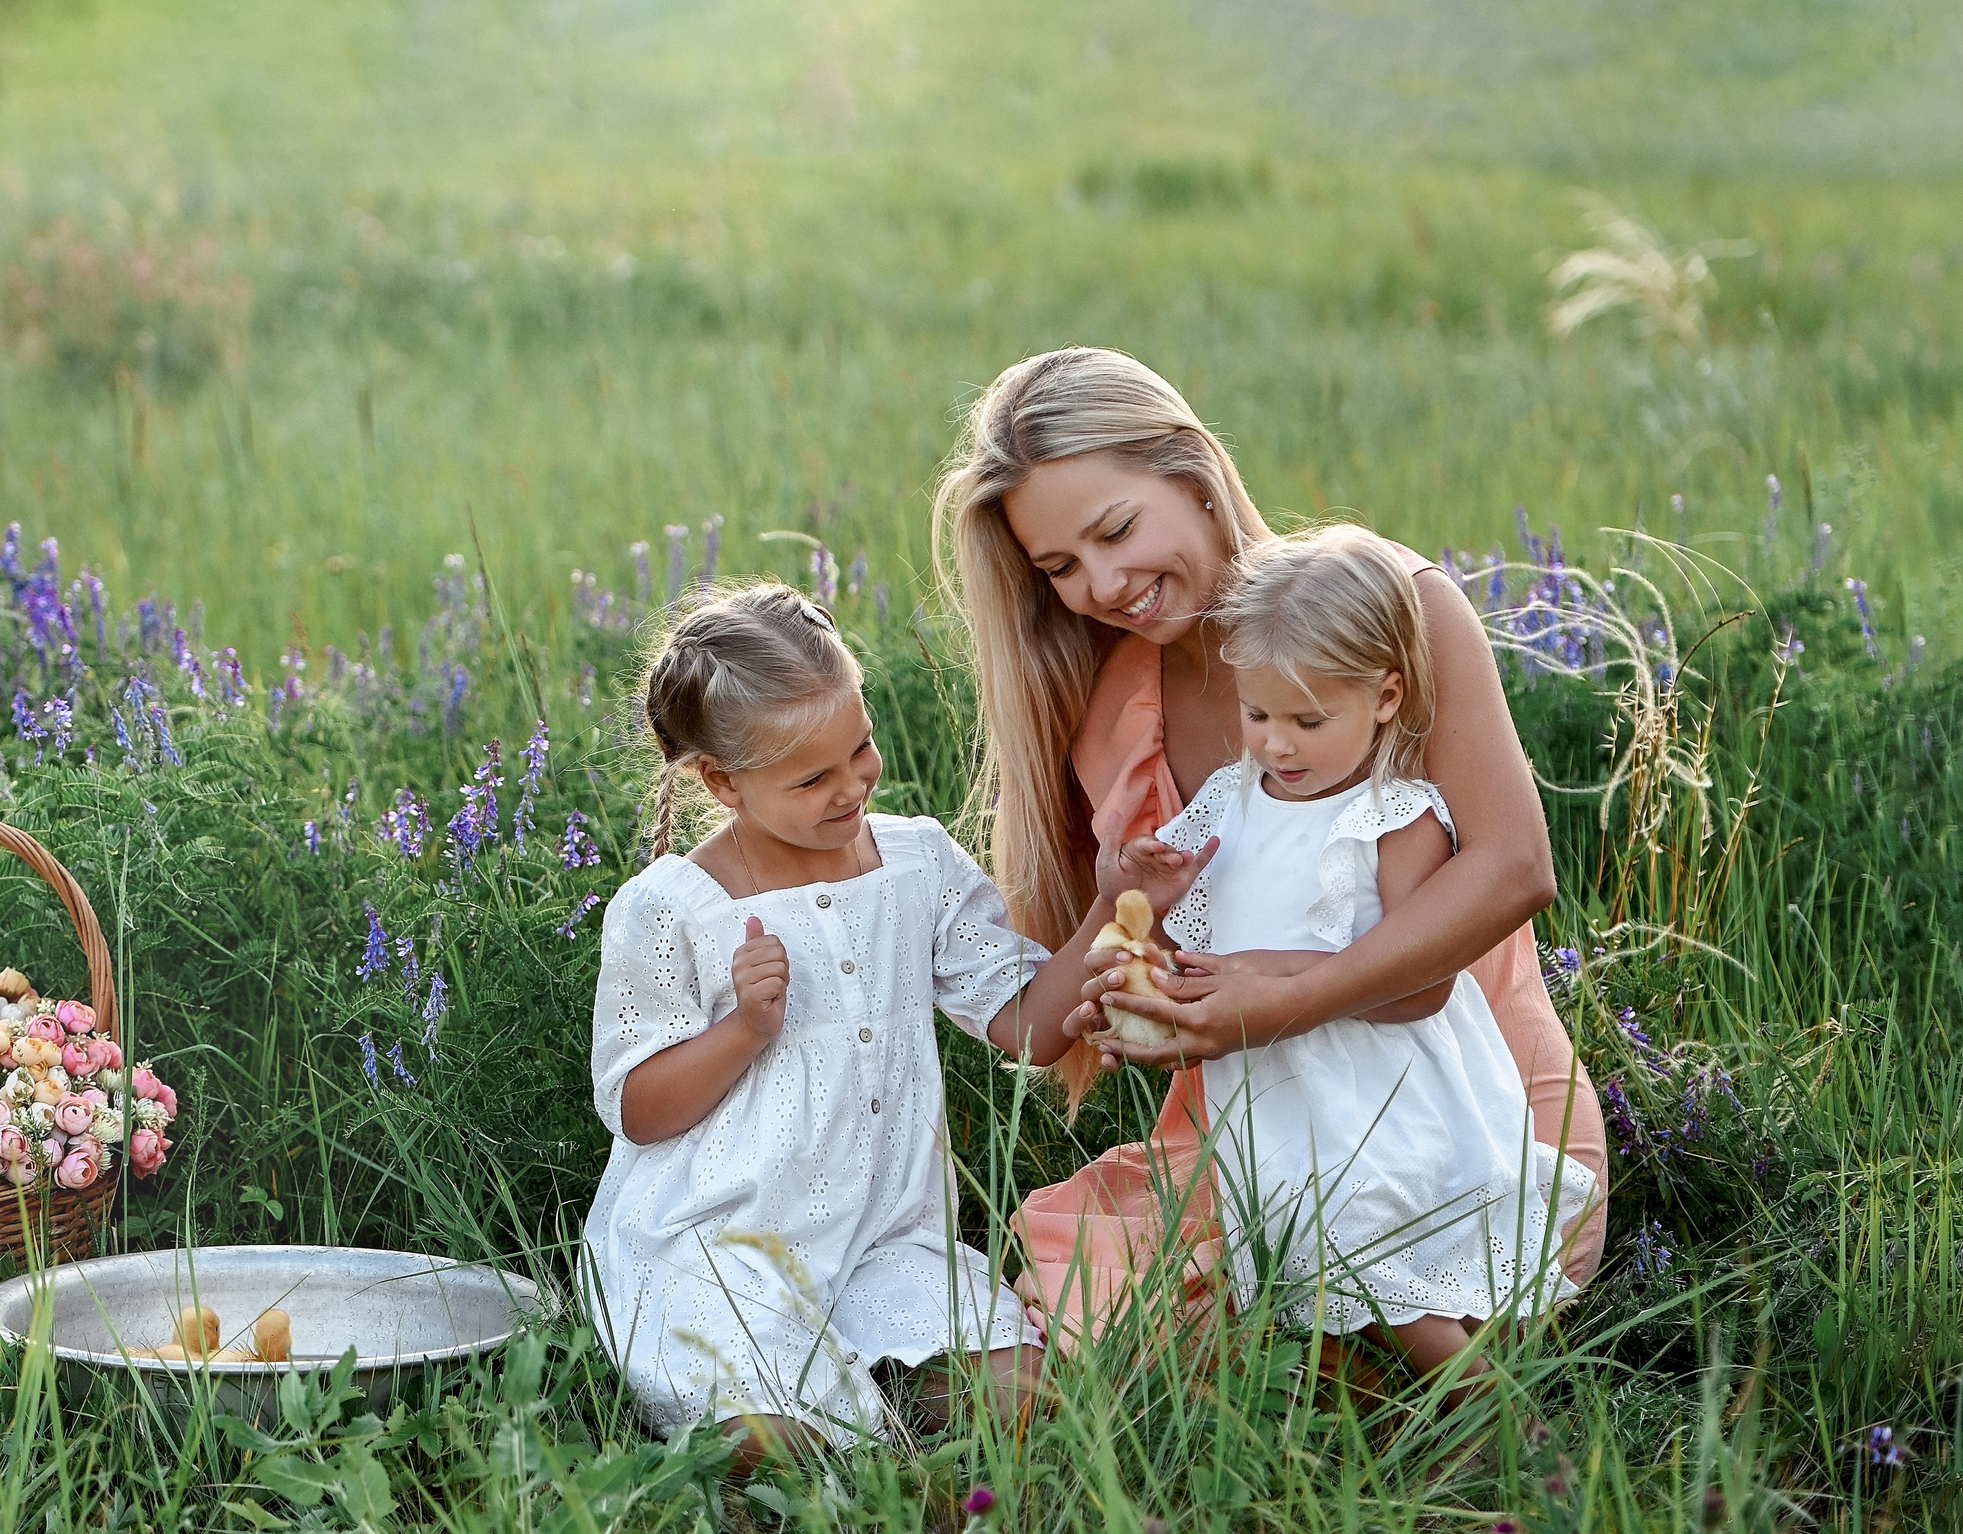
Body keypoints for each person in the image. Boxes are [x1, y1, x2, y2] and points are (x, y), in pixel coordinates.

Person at [928, 346, 1609, 1340]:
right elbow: (1199, 957)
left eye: (1115, 530)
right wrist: (1151, 999)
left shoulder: (1387, 611)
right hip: (1264, 1134)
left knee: (1362, 1315)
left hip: (1466, 1108)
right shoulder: (1117, 717)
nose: (1102, 583)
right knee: (1085, 1321)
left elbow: (1515, 868)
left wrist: (1283, 1001)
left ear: (1193, 473)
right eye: (1060, 567)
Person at [583, 583, 1107, 1470]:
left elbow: (1028, 1025)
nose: (853, 784)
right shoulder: (673, 906)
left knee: (1028, 1398)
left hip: (884, 1241)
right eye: (812, 778)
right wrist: (743, 1031)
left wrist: (1116, 902)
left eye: (859, 747)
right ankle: (841, 1426)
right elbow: (638, 1107)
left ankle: (886, 1396)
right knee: (774, 1445)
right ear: (722, 781)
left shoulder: (914, 863)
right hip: (719, 1249)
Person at [1105, 526, 1594, 1370]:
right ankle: (1469, 1401)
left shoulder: (1395, 818)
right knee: (1330, 1267)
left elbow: (1423, 988)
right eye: (1256, 714)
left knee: (1360, 1261)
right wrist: (1141, 924)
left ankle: (1491, 1416)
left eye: (1308, 719)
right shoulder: (1227, 800)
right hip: (1280, 1108)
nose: (1277, 743)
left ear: (1385, 696)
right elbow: (1190, 943)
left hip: (1381, 1100)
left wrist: (1270, 977)